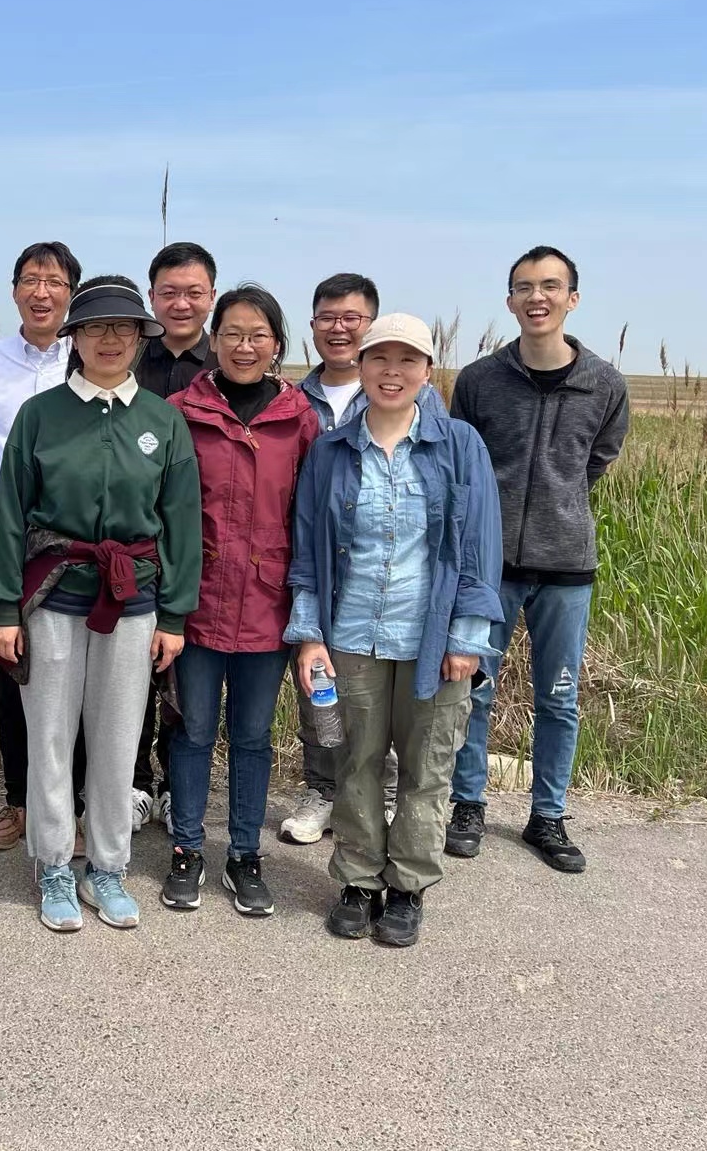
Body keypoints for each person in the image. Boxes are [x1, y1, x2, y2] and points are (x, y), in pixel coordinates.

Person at [0, 275, 201, 933]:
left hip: (133, 604)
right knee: (50, 735)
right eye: (96, 327)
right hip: (54, 598)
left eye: (124, 328)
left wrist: (173, 616)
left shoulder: (162, 421)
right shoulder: (40, 416)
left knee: (116, 739)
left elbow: (182, 522)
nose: (110, 339)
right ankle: (54, 863)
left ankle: (107, 866)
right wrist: (4, 609)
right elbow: (10, 516)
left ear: (140, 338)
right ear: (74, 338)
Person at [285, 313, 502, 947]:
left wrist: (467, 635)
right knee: (355, 761)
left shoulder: (459, 445)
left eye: (408, 360)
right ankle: (358, 879)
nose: (392, 372)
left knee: (427, 767)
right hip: (351, 635)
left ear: (427, 371)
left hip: (433, 640)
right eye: (380, 358)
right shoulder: (330, 452)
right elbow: (308, 549)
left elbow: (478, 545)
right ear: (361, 365)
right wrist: (309, 633)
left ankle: (407, 886)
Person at [445, 246, 630, 873]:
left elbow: (597, 460)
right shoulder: (479, 381)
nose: (537, 297)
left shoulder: (605, 384)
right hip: (489, 566)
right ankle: (467, 804)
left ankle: (547, 815)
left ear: (572, 299)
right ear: (510, 301)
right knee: (473, 689)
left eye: (550, 286)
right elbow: (462, 463)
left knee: (558, 697)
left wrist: (559, 505)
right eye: (524, 287)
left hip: (566, 565)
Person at [162, 284, 320, 917]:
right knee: (193, 730)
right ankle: (186, 849)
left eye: (258, 335)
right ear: (213, 339)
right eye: (232, 333)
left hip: (267, 605)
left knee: (252, 737)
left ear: (277, 344)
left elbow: (310, 519)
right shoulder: (180, 411)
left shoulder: (299, 418)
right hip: (197, 601)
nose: (244, 346)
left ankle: (244, 855)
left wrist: (308, 611)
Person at [0, 242, 88, 853]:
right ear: (13, 291)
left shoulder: (89, 356)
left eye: (54, 281)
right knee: (13, 669)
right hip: (2, 532)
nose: (41, 292)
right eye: (30, 280)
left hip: (73, 539)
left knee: (75, 673)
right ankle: (19, 802)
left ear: (71, 294)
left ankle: (74, 809)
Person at [279, 273, 385, 845]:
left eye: (352, 318)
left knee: (380, 689)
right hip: (313, 562)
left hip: (381, 568)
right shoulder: (293, 398)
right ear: (312, 325)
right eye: (327, 318)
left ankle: (377, 795)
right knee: (315, 682)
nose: (339, 329)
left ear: (372, 324)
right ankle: (321, 788)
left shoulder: (404, 391)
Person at [129, 241, 219, 830]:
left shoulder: (228, 362)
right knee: (131, 673)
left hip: (201, 542)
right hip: (133, 544)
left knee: (185, 674)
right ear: (152, 296)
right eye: (169, 293)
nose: (181, 304)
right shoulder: (129, 357)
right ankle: (134, 781)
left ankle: (173, 783)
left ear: (212, 296)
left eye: (193, 293)